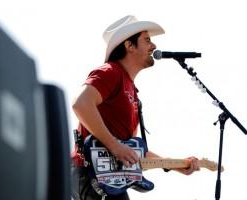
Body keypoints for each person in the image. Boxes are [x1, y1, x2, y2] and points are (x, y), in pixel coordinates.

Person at [71, 15, 200, 200]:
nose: (153, 46)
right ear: (129, 45)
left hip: (108, 180)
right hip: (91, 174)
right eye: (147, 40)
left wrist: (176, 165)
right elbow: (80, 103)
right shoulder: (110, 72)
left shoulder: (131, 89)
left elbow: (131, 152)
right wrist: (115, 146)